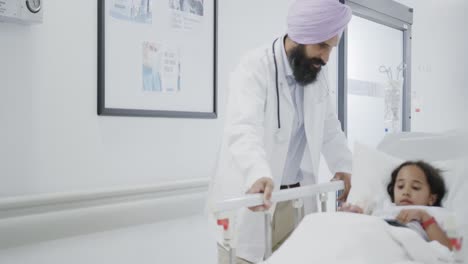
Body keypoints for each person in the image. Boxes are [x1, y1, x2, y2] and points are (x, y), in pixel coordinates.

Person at [208, 0, 353, 263]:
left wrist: (343, 165)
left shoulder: (315, 73)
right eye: (322, 46)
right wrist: (256, 174)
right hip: (253, 198)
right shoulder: (254, 67)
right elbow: (243, 127)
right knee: (244, 257)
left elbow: (330, 127)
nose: (326, 57)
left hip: (294, 198)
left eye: (332, 48)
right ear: (301, 36)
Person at [340, 160, 452, 250]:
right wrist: (355, 216)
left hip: (402, 246)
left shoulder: (435, 213)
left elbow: (448, 249)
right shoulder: (384, 207)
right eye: (400, 186)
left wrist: (424, 217)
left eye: (415, 187)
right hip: (374, 239)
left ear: (431, 198)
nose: (406, 192)